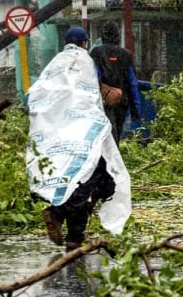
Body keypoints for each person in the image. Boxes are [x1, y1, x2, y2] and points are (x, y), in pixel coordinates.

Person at [26, 27, 131, 251]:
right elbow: (94, 92)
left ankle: (70, 227)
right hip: (86, 134)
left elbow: (37, 95)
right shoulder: (87, 61)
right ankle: (68, 227)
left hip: (61, 135)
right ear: (85, 43)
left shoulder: (55, 64)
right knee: (96, 180)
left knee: (81, 181)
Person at [89, 21, 141, 142]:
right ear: (118, 36)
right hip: (121, 101)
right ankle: (114, 158)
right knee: (116, 131)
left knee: (103, 135)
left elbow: (93, 77)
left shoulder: (96, 52)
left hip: (101, 102)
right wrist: (136, 109)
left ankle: (105, 159)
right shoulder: (126, 55)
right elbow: (133, 83)